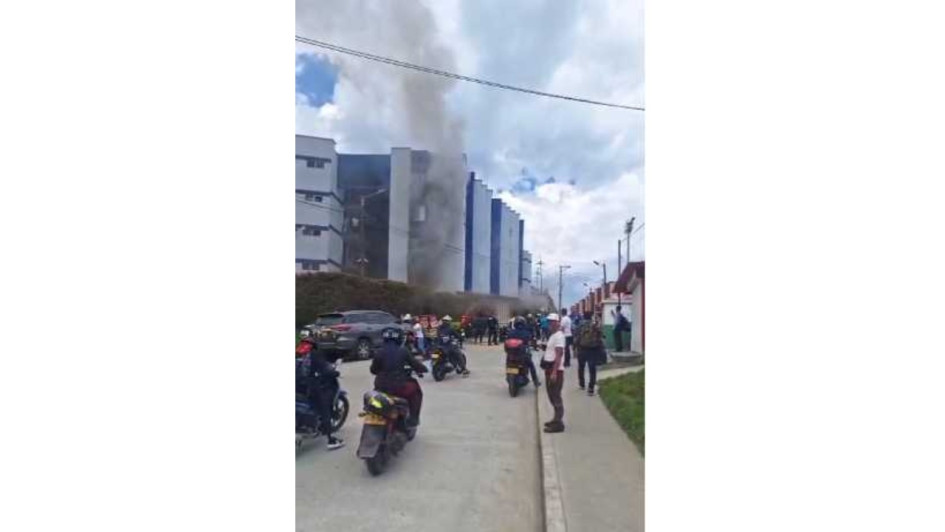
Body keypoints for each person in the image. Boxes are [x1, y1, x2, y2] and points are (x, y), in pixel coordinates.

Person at [370, 327, 428, 426]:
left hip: (380, 387)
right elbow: (416, 365)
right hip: (399, 387)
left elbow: (373, 370)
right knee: (416, 391)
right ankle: (413, 419)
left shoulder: (379, 352)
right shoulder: (403, 351)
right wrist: (424, 369)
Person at [296, 336, 345, 450]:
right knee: (325, 411)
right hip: (313, 388)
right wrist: (335, 373)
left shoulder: (298, 354)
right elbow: (325, 370)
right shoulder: (314, 355)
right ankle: (331, 440)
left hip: (299, 387)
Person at [541, 313, 566, 433]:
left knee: (556, 396)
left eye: (552, 322)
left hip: (555, 370)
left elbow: (559, 354)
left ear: (557, 322)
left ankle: (558, 424)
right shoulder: (553, 335)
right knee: (551, 395)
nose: (550, 324)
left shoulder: (559, 336)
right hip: (549, 369)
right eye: (549, 321)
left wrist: (554, 372)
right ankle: (555, 419)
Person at [575, 311, 607, 395]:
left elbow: (576, 336)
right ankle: (591, 388)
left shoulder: (580, 325)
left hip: (582, 348)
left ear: (584, 316)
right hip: (593, 349)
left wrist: (575, 347)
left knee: (581, 367)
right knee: (592, 369)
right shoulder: (594, 325)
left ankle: (582, 384)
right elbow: (600, 335)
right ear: (591, 316)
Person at [506, 316, 541, 387]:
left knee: (508, 364)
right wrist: (535, 346)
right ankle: (536, 382)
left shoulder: (511, 332)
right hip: (523, 355)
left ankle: (508, 376)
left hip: (511, 355)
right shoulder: (526, 332)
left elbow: (507, 341)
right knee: (531, 365)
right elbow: (532, 340)